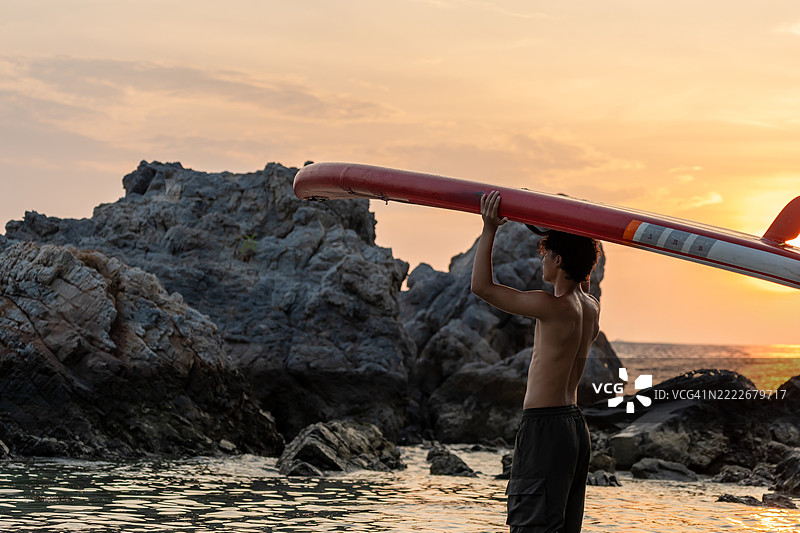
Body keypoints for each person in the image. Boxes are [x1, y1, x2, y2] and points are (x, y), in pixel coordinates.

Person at [471, 191, 601, 533]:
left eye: (546, 254)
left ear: (558, 261)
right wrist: (572, 218)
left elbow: (482, 287)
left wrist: (489, 229)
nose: (540, 260)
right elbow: (585, 263)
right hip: (574, 429)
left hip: (545, 426)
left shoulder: (551, 307)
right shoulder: (590, 307)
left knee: (532, 525)